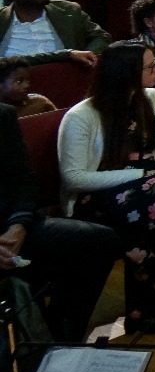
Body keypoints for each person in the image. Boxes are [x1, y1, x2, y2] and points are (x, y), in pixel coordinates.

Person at [57, 41, 155, 331]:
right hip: (100, 193)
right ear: (126, 73)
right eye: (149, 66)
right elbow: (75, 177)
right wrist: (140, 175)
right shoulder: (82, 116)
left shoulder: (152, 98)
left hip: (150, 184)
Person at [0, 102, 122, 342]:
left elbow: (24, 182)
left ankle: (61, 342)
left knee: (98, 241)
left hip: (11, 230)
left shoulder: (3, 115)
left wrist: (18, 226)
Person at [0, 0, 110, 66]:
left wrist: (88, 56)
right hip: (12, 82)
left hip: (65, 75)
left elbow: (101, 37)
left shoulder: (69, 10)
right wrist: (66, 55)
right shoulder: (2, 18)